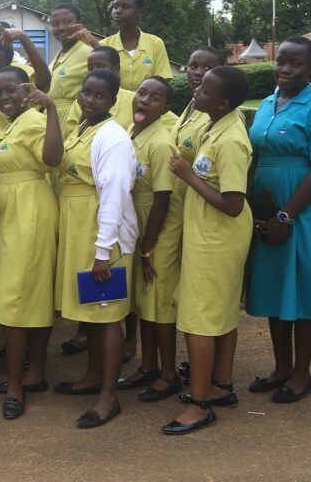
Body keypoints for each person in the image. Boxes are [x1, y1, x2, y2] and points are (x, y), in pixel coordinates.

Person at [246, 37, 311, 404]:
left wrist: (286, 215)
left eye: (296, 64)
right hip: (267, 207)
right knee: (275, 284)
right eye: (281, 61)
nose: (285, 69)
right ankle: (281, 367)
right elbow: (256, 156)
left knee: (301, 287)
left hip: (301, 208)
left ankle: (302, 373)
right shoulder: (266, 104)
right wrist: (257, 207)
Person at [165, 66, 252, 435]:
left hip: (218, 237)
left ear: (222, 103)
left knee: (199, 318)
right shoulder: (214, 126)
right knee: (219, 312)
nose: (196, 91)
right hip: (208, 233)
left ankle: (199, 405)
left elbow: (233, 203)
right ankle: (221, 384)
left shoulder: (230, 139)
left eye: (205, 90)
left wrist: (188, 177)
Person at [53, 68, 137, 429]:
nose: (90, 99)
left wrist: (103, 252)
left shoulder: (113, 137)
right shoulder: (84, 128)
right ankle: (92, 376)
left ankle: (108, 396)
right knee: (92, 310)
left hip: (104, 233)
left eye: (99, 95)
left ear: (113, 101)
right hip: (81, 227)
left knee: (107, 315)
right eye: (86, 92)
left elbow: (115, 194)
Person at [0, 67, 63, 419]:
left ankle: (16, 385)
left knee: (16, 298)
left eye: (11, 90)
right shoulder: (10, 124)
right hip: (15, 215)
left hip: (29, 214)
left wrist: (51, 109)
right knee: (30, 295)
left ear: (26, 91)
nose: (4, 97)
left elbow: (52, 159)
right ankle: (35, 372)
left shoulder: (32, 120)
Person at [118, 76, 182, 403]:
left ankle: (169, 373)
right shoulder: (132, 131)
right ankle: (148, 366)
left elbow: (162, 199)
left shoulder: (160, 143)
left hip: (157, 226)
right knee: (145, 301)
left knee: (159, 302)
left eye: (155, 98)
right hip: (138, 221)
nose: (144, 100)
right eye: (142, 93)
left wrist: (148, 247)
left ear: (166, 108)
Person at [169, 46, 227, 383]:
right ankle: (204, 367)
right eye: (193, 65)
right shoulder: (193, 106)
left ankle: (209, 376)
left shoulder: (215, 113)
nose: (197, 72)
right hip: (183, 208)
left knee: (203, 301)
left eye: (207, 68)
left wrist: (187, 176)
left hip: (205, 214)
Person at [79, 0, 172, 92]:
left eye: (126, 7)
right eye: (115, 7)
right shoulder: (104, 45)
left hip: (147, 101)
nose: (118, 11)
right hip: (114, 102)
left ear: (140, 12)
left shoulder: (155, 43)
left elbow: (163, 82)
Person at [47, 3, 93, 133]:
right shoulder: (58, 56)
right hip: (52, 117)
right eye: (55, 24)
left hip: (73, 119)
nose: (61, 27)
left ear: (78, 23)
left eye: (67, 22)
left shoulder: (88, 53)